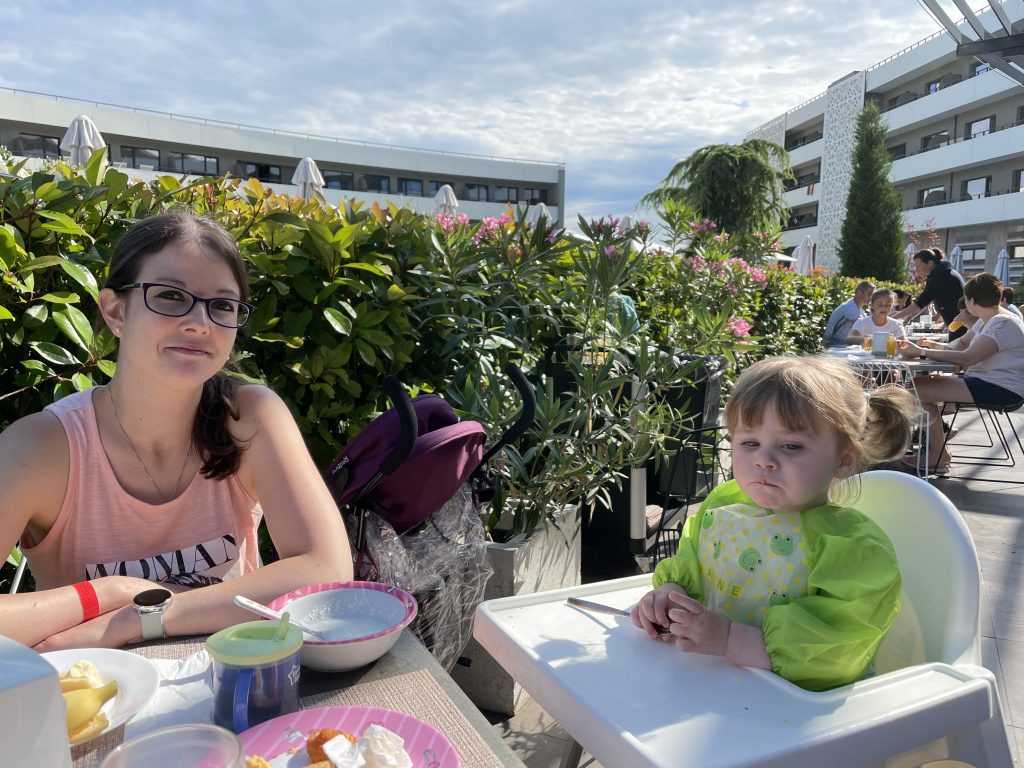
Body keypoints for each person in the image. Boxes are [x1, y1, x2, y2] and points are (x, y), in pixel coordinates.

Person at [0, 210, 354, 651]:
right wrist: (105, 594)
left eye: (222, 304)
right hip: (96, 701)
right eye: (170, 296)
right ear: (115, 310)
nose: (200, 322)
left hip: (236, 682)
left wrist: (140, 614)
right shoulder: (41, 448)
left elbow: (328, 571)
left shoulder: (249, 417)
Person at [631, 355, 917, 691]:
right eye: (749, 442)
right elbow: (692, 562)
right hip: (709, 681)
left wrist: (729, 639)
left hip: (797, 710)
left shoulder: (852, 548)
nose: (764, 460)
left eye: (791, 446)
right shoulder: (724, 504)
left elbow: (837, 648)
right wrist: (671, 596)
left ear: (844, 459)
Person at [898, 272, 1024, 474]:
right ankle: (936, 452)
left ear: (971, 301)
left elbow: (967, 358)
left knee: (916, 389)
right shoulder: (988, 320)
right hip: (985, 381)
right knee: (918, 386)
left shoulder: (1003, 323)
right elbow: (962, 344)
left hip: (1002, 389)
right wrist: (934, 346)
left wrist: (921, 352)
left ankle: (936, 454)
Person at [892, 248, 966, 340]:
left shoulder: (940, 277)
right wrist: (907, 319)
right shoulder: (940, 273)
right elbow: (926, 301)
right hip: (958, 324)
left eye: (918, 266)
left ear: (930, 263)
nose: (917, 270)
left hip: (962, 325)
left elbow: (919, 304)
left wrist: (892, 319)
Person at [823, 281, 874, 347]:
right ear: (859, 293)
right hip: (836, 346)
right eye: (869, 294)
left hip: (842, 345)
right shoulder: (851, 308)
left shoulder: (857, 307)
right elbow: (866, 329)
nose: (872, 298)